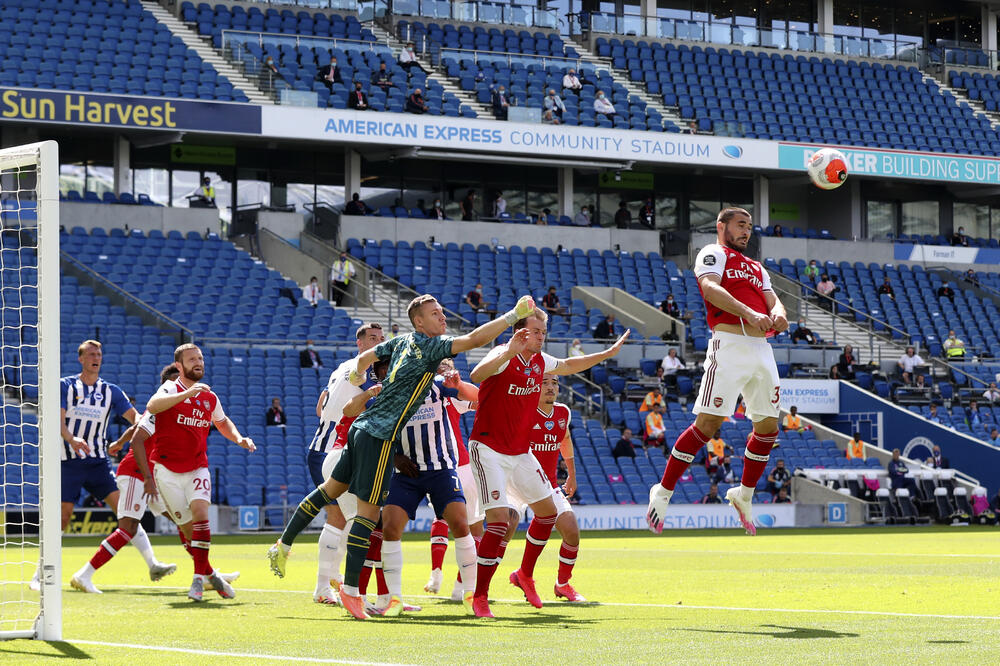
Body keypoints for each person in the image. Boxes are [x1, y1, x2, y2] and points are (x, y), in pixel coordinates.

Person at [267, 293, 544, 619]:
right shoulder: (430, 348)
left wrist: (359, 373)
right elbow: (473, 339)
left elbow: (368, 356)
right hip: (380, 438)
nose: (443, 317)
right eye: (435, 313)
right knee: (370, 518)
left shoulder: (399, 342)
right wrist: (513, 315)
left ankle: (283, 546)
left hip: (366, 431)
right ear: (419, 322)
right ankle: (353, 592)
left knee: (333, 494)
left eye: (442, 311)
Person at [466, 307, 628, 617]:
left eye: (543, 332)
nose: (541, 336)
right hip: (487, 448)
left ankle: (524, 574)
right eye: (535, 331)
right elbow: (476, 375)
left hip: (519, 452)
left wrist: (606, 353)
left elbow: (568, 364)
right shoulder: (505, 352)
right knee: (499, 522)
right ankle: (480, 595)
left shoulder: (541, 362)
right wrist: (507, 352)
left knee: (549, 512)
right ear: (520, 331)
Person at [647, 207, 789, 537]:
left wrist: (779, 315)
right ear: (721, 226)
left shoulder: (757, 267)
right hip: (729, 345)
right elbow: (710, 289)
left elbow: (774, 302)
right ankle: (663, 492)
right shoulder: (713, 253)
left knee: (768, 429)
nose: (746, 232)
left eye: (749, 227)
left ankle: (744, 495)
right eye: (740, 225)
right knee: (708, 426)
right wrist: (750, 313)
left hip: (762, 350)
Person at [146, 343, 256, 601]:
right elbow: (153, 406)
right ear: (179, 366)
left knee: (201, 514)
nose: (198, 362)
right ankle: (211, 575)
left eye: (200, 358)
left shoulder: (210, 397)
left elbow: (222, 421)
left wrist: (239, 438)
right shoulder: (171, 388)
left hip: (197, 467)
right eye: (192, 359)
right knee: (187, 531)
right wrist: (186, 394)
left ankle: (197, 579)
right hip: (166, 471)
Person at [34, 340, 146, 591]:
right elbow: (57, 420)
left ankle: (152, 563)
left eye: (99, 354)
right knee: (62, 518)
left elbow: (135, 418)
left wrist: (136, 430)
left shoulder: (112, 391)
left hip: (97, 462)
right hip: (69, 461)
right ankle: (38, 574)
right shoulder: (66, 385)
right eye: (91, 354)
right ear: (81, 359)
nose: (96, 357)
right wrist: (72, 438)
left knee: (126, 513)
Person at [377, 361, 480, 616]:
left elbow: (478, 397)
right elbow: (377, 431)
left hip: (441, 469)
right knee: (390, 527)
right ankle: (395, 600)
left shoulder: (436, 386)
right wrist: (393, 457)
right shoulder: (388, 392)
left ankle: (470, 594)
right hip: (406, 472)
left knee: (460, 524)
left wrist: (458, 385)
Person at [67, 363, 179, 594]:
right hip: (137, 473)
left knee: (183, 519)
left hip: (151, 476)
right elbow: (139, 429)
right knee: (127, 528)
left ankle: (207, 573)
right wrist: (120, 444)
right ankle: (84, 574)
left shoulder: (175, 409)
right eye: (177, 381)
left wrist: (119, 443)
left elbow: (138, 427)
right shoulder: (160, 405)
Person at [305, 322, 385, 605]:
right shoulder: (360, 371)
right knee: (343, 518)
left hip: (328, 446)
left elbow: (320, 405)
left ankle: (333, 579)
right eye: (372, 338)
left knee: (354, 519)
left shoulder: (341, 368)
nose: (378, 343)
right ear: (360, 343)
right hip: (331, 451)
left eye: (382, 338)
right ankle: (323, 587)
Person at [504, 375, 587, 602]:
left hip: (548, 484)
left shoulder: (563, 413)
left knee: (571, 530)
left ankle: (562, 584)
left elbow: (565, 440)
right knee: (503, 529)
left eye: (555, 383)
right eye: (545, 383)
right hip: (516, 483)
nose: (551, 387)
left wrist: (571, 473)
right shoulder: (523, 410)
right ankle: (474, 586)